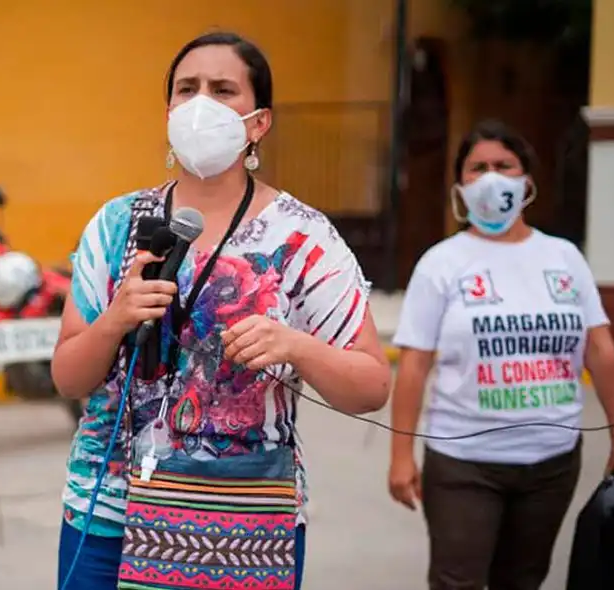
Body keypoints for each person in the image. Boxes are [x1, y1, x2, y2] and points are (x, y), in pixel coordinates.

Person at [51, 31, 391, 590]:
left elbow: (372, 384)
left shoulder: (303, 238)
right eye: (187, 89)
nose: (201, 103)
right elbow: (67, 378)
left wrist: (296, 347)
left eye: (223, 89)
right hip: (105, 513)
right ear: (167, 113)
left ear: (259, 123)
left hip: (241, 519)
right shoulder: (114, 226)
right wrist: (115, 319)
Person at [386, 119, 614, 590]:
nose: (491, 178)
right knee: (457, 581)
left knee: (523, 581)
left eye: (504, 166)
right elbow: (414, 365)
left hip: (552, 463)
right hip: (464, 461)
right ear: (460, 185)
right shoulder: (441, 263)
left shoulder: (564, 258)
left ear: (527, 181)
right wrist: (401, 455)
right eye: (477, 168)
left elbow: (600, 349)